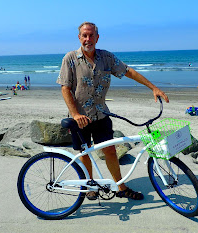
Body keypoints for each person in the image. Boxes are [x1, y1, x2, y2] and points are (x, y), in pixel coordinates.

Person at [57, 22, 169, 201]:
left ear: (97, 37)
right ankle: (89, 185)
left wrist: (153, 87)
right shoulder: (70, 58)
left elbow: (128, 71)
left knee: (110, 150)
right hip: (80, 118)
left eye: (91, 35)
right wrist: (76, 114)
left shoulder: (106, 57)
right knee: (84, 153)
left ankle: (121, 187)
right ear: (79, 38)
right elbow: (65, 88)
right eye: (84, 35)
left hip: (102, 114)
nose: (88, 39)